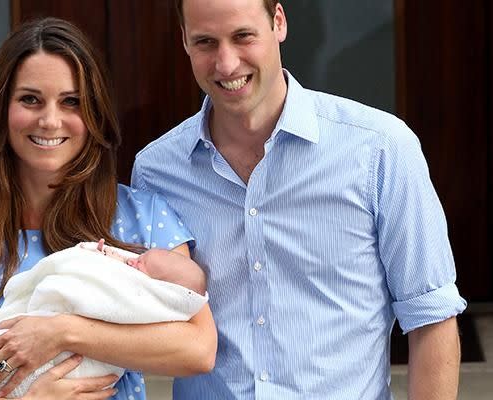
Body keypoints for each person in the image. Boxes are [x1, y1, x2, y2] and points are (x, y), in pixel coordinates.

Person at [131, 0, 466, 399]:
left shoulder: (381, 149)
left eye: (243, 36)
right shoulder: (156, 171)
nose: (226, 63)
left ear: (278, 22)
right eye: (205, 42)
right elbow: (154, 327)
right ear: (184, 40)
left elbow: (431, 317)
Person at [0, 17, 216, 400]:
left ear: (93, 112)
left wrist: (60, 332)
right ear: (2, 107)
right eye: (30, 99)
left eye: (71, 102)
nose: (49, 120)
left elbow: (197, 350)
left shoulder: (142, 217)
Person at [0, 242, 209, 398]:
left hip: (84, 372)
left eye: (142, 264)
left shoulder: (147, 217)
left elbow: (199, 352)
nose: (132, 263)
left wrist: (63, 331)